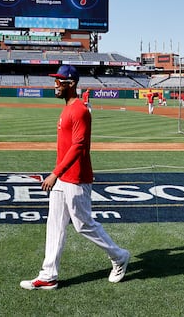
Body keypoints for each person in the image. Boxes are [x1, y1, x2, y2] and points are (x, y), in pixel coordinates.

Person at [20, 64, 129, 291]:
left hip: (77, 178)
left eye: (59, 81)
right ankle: (48, 275)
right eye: (55, 80)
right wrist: (57, 173)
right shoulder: (68, 107)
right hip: (63, 178)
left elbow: (79, 146)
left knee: (82, 224)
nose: (55, 85)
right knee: (55, 224)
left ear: (71, 84)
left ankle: (119, 256)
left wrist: (54, 173)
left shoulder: (79, 110)